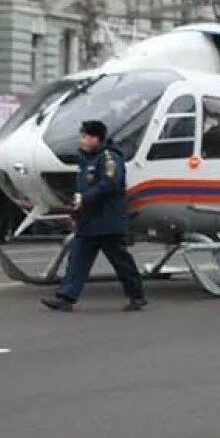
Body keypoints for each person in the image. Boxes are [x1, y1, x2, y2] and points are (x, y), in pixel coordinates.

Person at [41, 120, 147, 312]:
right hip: (88, 220)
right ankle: (66, 297)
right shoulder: (86, 159)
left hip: (107, 221)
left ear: (96, 138)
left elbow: (110, 184)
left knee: (121, 261)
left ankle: (136, 295)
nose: (82, 140)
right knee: (77, 260)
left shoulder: (109, 158)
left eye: (86, 137)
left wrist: (85, 198)